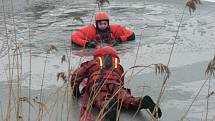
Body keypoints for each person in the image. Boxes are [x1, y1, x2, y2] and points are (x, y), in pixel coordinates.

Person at [70, 46, 162, 121]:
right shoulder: (118, 66)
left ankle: (108, 105)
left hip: (98, 83)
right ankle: (141, 101)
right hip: (115, 83)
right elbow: (121, 82)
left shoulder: (92, 62)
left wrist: (75, 92)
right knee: (125, 98)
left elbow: (76, 75)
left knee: (101, 99)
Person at [71, 12, 135, 48]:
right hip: (96, 48)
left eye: (105, 23)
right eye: (100, 24)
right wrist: (87, 44)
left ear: (108, 23)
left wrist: (119, 40)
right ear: (96, 24)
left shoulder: (114, 29)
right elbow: (74, 37)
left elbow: (131, 35)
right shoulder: (90, 30)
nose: (103, 25)